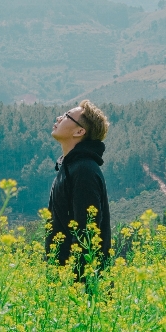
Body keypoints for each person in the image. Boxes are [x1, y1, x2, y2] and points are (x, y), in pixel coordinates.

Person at [45, 100, 112, 272]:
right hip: (64, 281)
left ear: (79, 131)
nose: (59, 118)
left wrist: (77, 283)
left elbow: (87, 233)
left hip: (78, 286)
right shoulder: (70, 166)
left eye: (67, 116)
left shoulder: (84, 171)